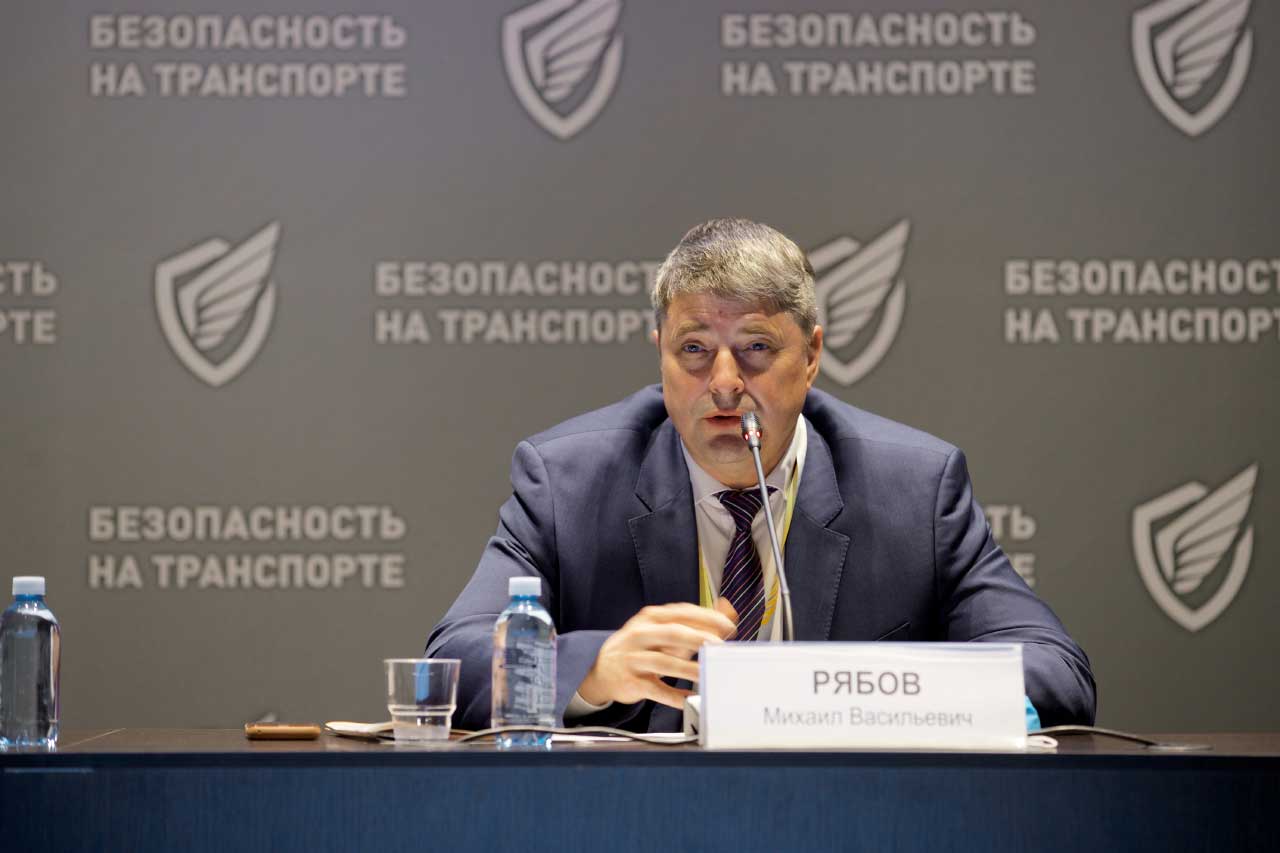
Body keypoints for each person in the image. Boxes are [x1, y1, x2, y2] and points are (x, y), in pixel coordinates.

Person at [427, 218, 1096, 733]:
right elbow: (452, 664)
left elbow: (1054, 668)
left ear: (811, 356)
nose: (724, 383)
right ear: (660, 354)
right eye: (694, 349)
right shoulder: (568, 482)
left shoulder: (914, 488)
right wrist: (593, 671)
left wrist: (879, 690)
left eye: (755, 348)